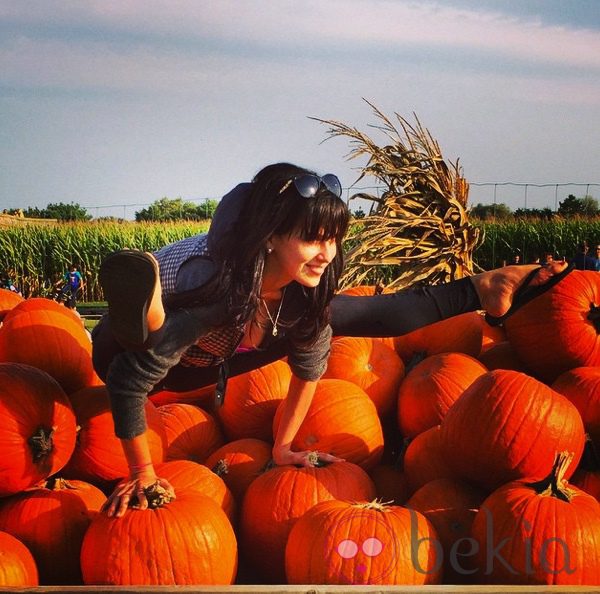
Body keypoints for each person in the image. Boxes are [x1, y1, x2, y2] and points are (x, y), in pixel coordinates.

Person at [92, 162, 572, 517]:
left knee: (353, 314)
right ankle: (148, 312)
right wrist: (142, 474)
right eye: (312, 239)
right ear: (271, 238)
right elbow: (126, 383)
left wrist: (282, 447)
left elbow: (308, 370)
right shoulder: (221, 287)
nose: (326, 253)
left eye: (333, 238)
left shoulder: (303, 292)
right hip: (127, 349)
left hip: (215, 351)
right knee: (149, 344)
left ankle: (483, 286)